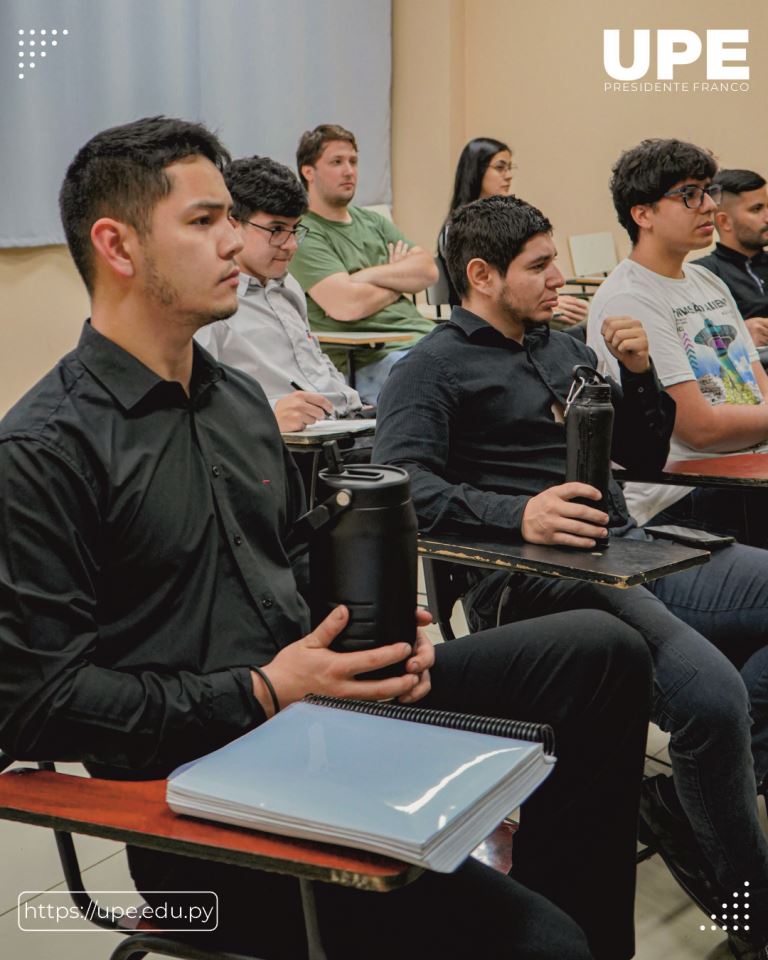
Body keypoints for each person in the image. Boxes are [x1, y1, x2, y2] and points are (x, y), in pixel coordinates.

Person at [0, 115, 657, 960]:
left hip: (323, 713)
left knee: (600, 651)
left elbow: (293, 563)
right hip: (205, 795)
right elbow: (35, 709)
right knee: (543, 946)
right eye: (205, 222)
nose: (235, 243)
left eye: (232, 219)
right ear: (118, 247)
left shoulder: (236, 402)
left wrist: (387, 634)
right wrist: (266, 691)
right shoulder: (45, 450)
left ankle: (555, 921)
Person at [373, 194, 768, 960]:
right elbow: (399, 487)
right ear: (481, 276)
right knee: (710, 695)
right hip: (542, 581)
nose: (562, 277)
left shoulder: (562, 349)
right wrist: (517, 514)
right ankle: (753, 917)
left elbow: (646, 456)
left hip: (634, 548)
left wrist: (641, 374)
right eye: (540, 266)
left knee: (715, 710)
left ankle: (695, 789)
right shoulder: (431, 368)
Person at [587, 140, 768, 548]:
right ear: (643, 214)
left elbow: (759, 388)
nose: (708, 206)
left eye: (708, 190)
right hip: (678, 494)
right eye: (689, 195)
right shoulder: (630, 298)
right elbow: (700, 429)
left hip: (745, 471)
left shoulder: (708, 281)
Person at [194, 155, 366, 432]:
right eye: (276, 230)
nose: (291, 245)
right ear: (232, 224)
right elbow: (197, 404)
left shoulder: (286, 284)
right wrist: (270, 413)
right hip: (291, 442)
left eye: (295, 229)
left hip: (347, 419)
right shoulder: (206, 300)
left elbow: (314, 360)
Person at [288, 124, 436, 404]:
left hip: (424, 339)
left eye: (353, 161)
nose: (349, 171)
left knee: (494, 360)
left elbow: (428, 271)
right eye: (336, 162)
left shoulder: (374, 221)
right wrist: (398, 282)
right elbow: (347, 304)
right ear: (308, 172)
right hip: (372, 358)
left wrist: (364, 276)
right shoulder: (302, 232)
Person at [436, 137, 588, 329]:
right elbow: (480, 297)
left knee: (586, 322)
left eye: (509, 168)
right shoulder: (457, 230)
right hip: (488, 320)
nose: (508, 176)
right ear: (476, 171)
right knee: (580, 329)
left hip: (512, 311)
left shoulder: (509, 220)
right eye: (500, 168)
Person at [694, 168, 768, 347]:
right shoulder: (702, 276)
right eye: (757, 209)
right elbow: (694, 339)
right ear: (724, 222)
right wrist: (740, 333)